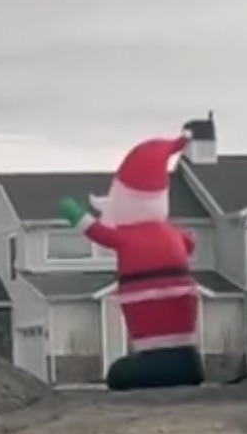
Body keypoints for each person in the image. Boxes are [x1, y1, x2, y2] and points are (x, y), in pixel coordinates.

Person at [57, 134, 206, 391]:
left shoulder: (128, 237)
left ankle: (156, 361)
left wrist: (73, 212)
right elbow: (190, 244)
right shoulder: (171, 233)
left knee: (118, 375)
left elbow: (96, 231)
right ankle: (185, 361)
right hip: (185, 344)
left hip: (149, 343)